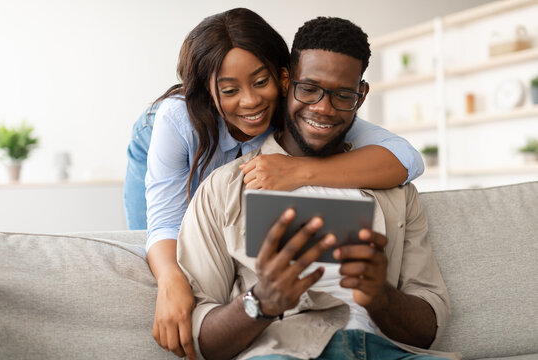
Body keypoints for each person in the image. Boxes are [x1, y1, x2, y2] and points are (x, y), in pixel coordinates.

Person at [124, 8, 425, 359]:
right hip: (176, 153)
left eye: (260, 82)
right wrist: (170, 280)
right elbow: (162, 223)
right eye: (231, 88)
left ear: (282, 79)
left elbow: (407, 158)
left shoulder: (308, 105)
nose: (251, 100)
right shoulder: (176, 120)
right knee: (154, 260)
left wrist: (298, 171)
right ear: (209, 89)